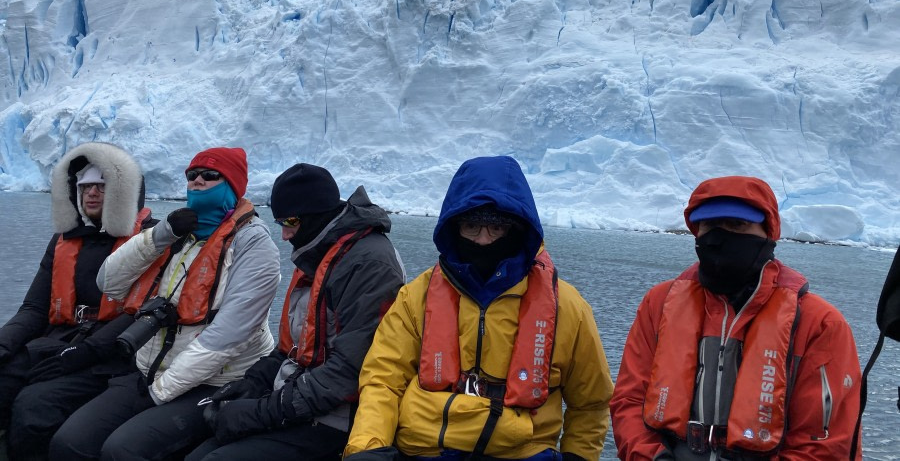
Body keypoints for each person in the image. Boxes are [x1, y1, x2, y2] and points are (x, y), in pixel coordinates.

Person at [344, 155, 614, 461]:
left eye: (496, 228)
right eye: (471, 226)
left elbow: (591, 403)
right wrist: (368, 447)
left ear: (518, 229)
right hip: (425, 451)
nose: (483, 240)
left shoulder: (567, 307)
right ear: (453, 227)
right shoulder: (416, 297)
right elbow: (383, 379)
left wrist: (578, 457)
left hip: (521, 453)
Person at [50, 146, 280, 460]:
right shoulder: (178, 233)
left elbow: (229, 335)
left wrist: (161, 391)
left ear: (232, 184)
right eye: (192, 175)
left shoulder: (253, 242)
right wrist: (162, 233)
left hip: (217, 382)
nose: (197, 180)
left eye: (210, 175)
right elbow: (109, 282)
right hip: (152, 370)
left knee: (124, 450)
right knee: (69, 442)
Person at [610, 175, 863, 460]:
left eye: (737, 225)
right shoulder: (659, 304)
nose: (720, 237)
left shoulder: (820, 323)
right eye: (710, 226)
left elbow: (825, 444)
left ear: (768, 231)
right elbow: (629, 401)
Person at [188, 162, 405, 460]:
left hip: (340, 419)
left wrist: (263, 413)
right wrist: (252, 382)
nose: (285, 235)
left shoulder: (369, 264)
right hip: (303, 399)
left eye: (290, 221)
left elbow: (350, 373)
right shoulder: (320, 252)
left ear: (316, 216)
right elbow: (293, 350)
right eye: (280, 222)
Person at [0, 142, 154, 460]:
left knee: (35, 404)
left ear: (124, 189)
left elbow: (142, 312)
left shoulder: (150, 240)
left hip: (110, 356)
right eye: (85, 187)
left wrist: (85, 352)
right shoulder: (64, 241)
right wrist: (4, 343)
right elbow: (34, 309)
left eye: (102, 185)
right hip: (58, 344)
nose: (92, 193)